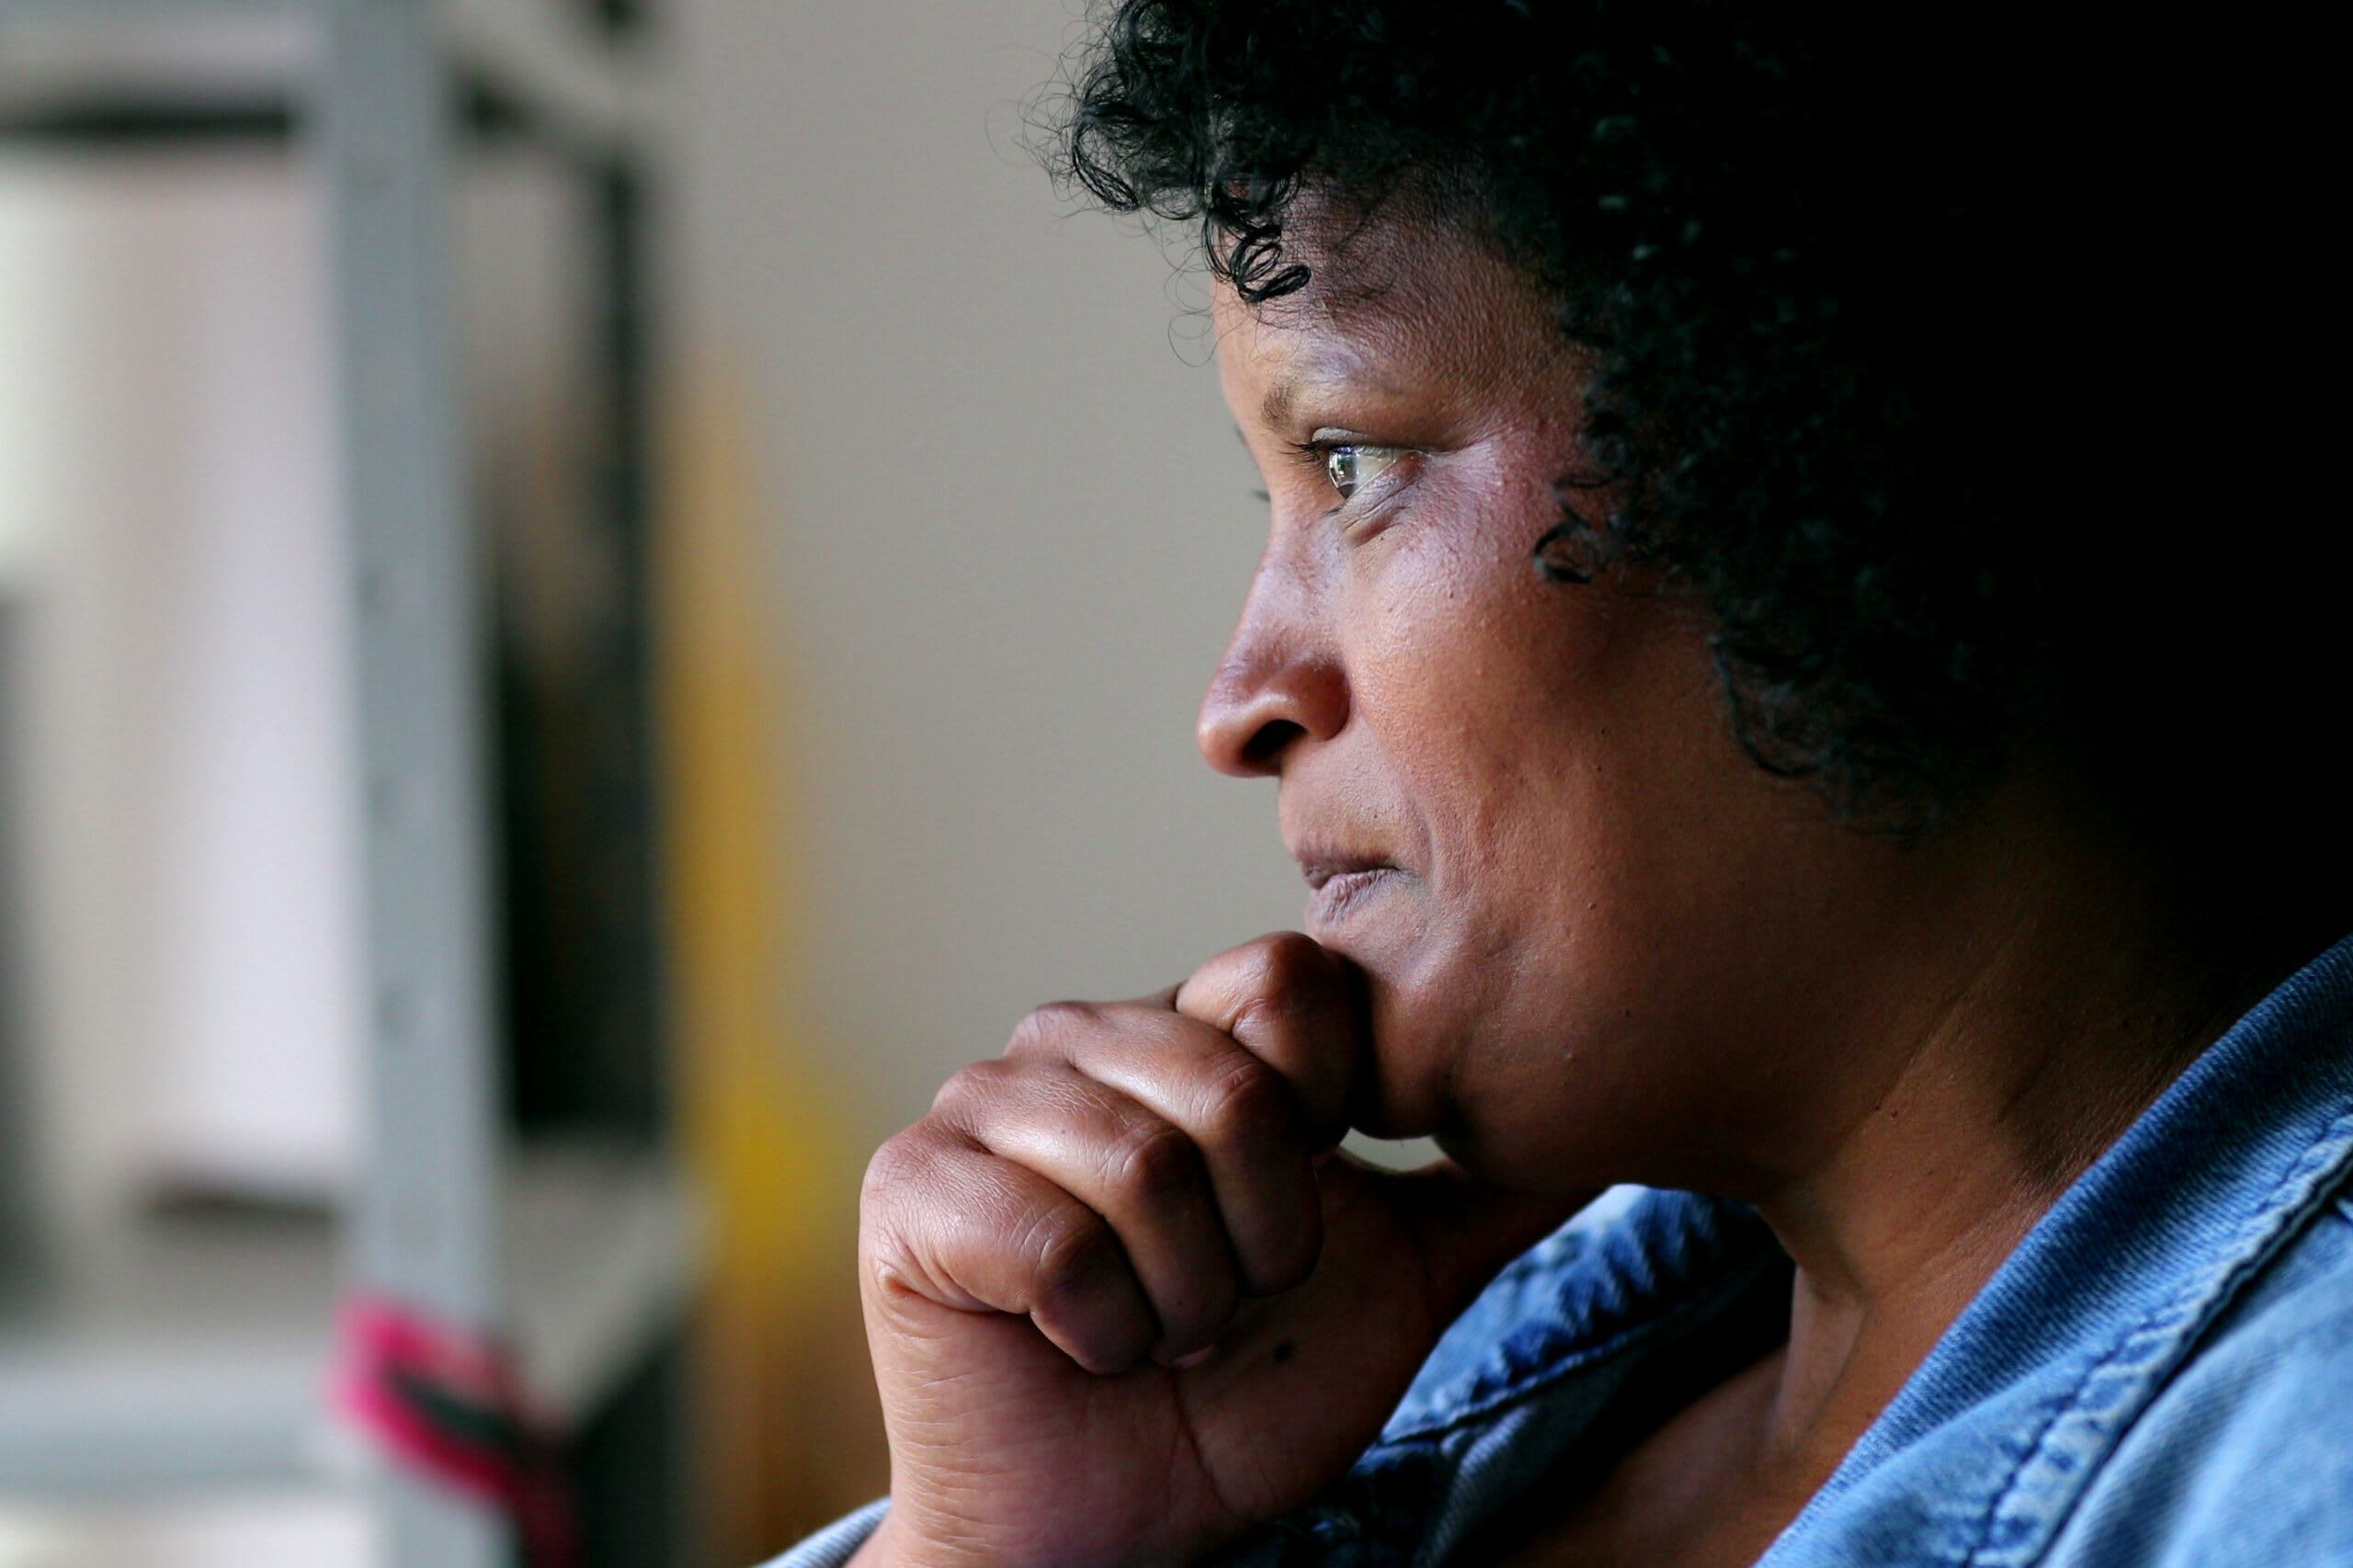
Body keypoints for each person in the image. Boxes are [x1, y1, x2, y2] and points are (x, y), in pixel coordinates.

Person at [771, 5, 2349, 1563]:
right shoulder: (1463, 1361)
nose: (1239, 703)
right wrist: (983, 1549)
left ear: (1829, 422)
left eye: (1352, 460)